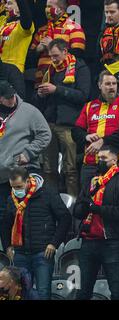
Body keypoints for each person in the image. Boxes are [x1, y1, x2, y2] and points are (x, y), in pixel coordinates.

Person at [73, 145, 119, 300]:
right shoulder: (92, 180)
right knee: (82, 291)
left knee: (116, 290)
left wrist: (96, 208)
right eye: (98, 158)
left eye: (103, 158)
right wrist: (88, 202)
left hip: (112, 242)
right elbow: (78, 210)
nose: (99, 161)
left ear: (114, 160)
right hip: (88, 241)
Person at [0, 167, 71, 300]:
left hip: (43, 253)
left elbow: (65, 218)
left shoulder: (48, 193)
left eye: (19, 186)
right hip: (20, 253)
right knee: (19, 294)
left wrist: (54, 243)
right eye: (13, 187)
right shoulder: (12, 199)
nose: (16, 190)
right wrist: (7, 246)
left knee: (43, 292)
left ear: (28, 181)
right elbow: (5, 224)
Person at [36, 38, 90, 197]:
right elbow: (42, 98)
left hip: (69, 125)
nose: (53, 59)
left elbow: (83, 96)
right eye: (51, 56)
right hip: (49, 124)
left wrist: (56, 89)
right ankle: (51, 202)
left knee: (70, 169)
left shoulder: (80, 68)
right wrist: (40, 94)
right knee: (48, 169)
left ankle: (73, 204)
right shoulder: (50, 70)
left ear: (65, 51)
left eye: (56, 55)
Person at [0, 81, 51, 244]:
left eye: (12, 95)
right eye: (7, 98)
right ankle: (8, 252)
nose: (12, 99)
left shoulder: (29, 111)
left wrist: (28, 153)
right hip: (1, 176)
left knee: (25, 214)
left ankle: (28, 251)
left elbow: (45, 134)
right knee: (4, 216)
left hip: (22, 171)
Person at [72, 70, 119, 189]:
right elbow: (75, 131)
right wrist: (86, 136)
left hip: (114, 163)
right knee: (86, 200)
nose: (111, 87)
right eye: (107, 84)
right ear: (99, 85)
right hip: (90, 164)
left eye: (114, 83)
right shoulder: (89, 106)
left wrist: (102, 141)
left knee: (110, 201)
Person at [29, 0, 86, 86]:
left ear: (60, 10)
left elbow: (78, 54)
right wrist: (37, 49)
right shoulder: (42, 30)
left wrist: (52, 46)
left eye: (49, 7)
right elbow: (29, 59)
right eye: (46, 7)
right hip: (40, 79)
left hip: (61, 79)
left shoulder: (74, 27)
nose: (46, 9)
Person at [0, 0, 34, 98]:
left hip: (13, 71)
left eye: (10, 3)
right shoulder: (3, 22)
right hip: (0, 68)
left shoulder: (23, 27)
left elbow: (26, 18)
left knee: (14, 106)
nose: (6, 6)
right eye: (5, 3)